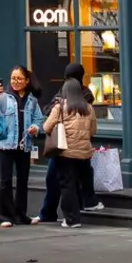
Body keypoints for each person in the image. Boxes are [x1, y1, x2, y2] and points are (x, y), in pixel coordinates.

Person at [0, 65, 44, 228]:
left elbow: (39, 120)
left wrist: (35, 128)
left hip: (24, 144)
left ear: (27, 81)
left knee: (23, 180)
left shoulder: (32, 100)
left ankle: (21, 215)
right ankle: (4, 216)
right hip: (4, 145)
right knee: (5, 181)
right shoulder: (2, 98)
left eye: (19, 79)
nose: (15, 82)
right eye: (13, 78)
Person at [41, 79, 96, 227]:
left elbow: (46, 127)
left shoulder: (60, 108)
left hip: (65, 152)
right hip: (83, 153)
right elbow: (93, 131)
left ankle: (72, 219)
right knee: (77, 183)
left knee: (67, 185)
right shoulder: (89, 108)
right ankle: (77, 213)